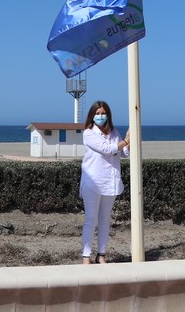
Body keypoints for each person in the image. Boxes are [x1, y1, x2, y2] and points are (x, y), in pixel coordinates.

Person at [80, 100, 130, 264]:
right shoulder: (88, 133)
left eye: (103, 113)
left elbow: (124, 153)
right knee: (90, 220)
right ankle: (86, 256)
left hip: (110, 182)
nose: (100, 116)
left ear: (108, 114)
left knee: (104, 220)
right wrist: (125, 141)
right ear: (92, 116)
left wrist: (129, 140)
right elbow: (107, 150)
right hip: (92, 182)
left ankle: (101, 254)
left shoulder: (114, 132)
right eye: (97, 113)